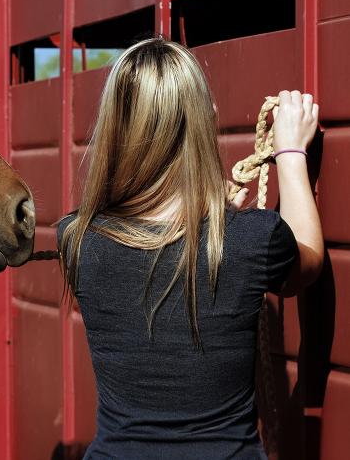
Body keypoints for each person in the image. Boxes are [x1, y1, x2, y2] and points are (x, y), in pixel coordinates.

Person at [57, 37, 323, 459]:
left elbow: (160, 248)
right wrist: (290, 153)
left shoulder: (75, 238)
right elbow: (306, 259)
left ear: (114, 126)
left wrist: (211, 210)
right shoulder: (252, 238)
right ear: (208, 119)